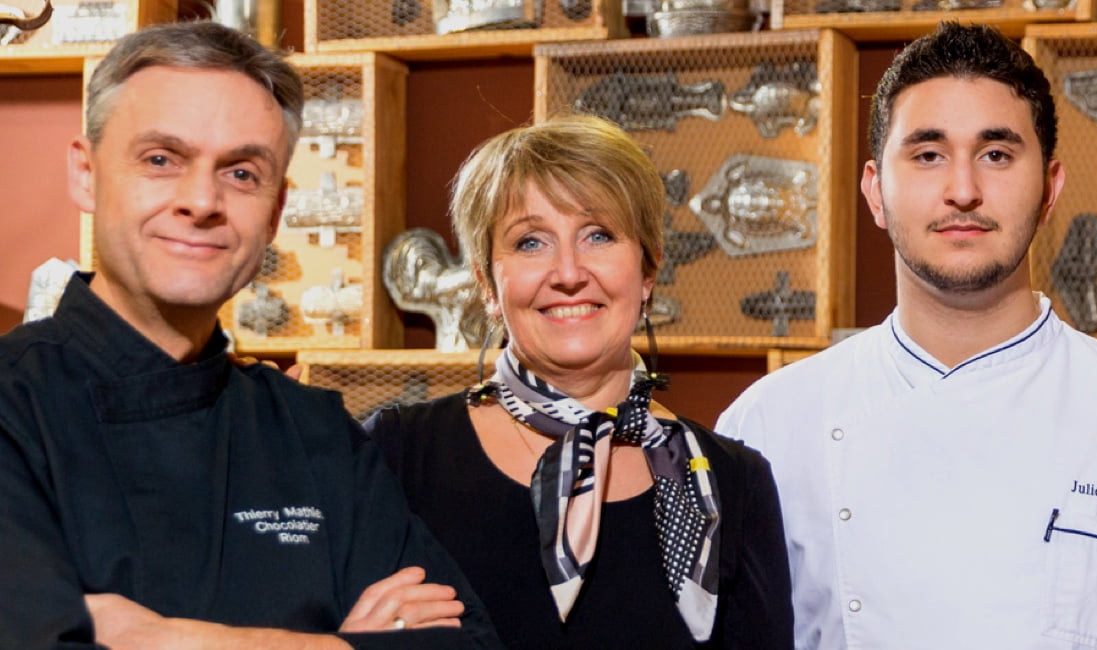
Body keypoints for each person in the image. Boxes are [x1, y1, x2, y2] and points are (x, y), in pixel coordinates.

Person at [716, 22, 1097, 649]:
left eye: (997, 154)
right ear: (876, 191)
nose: (963, 191)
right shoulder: (764, 428)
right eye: (928, 155)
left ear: (1050, 190)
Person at [0, 22, 500, 649]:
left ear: (276, 213)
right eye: (161, 159)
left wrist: (162, 639)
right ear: (86, 173)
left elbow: (468, 644)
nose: (202, 200)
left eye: (240, 173)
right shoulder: (13, 406)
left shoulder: (312, 430)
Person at [363, 115, 794, 649]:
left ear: (648, 271)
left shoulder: (733, 482)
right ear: (487, 284)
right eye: (530, 242)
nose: (567, 272)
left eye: (598, 235)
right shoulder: (397, 453)